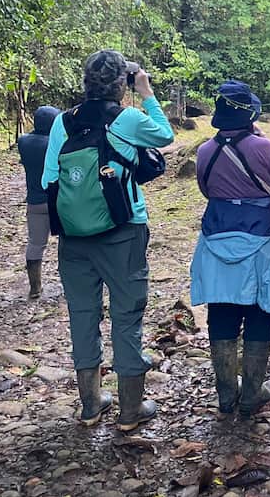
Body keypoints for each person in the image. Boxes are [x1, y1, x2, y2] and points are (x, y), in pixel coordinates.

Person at [41, 50, 174, 429]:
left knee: (82, 315)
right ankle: (130, 411)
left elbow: (49, 179)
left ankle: (90, 404)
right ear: (122, 83)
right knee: (126, 316)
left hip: (73, 235)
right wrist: (146, 92)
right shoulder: (128, 117)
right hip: (124, 228)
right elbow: (165, 134)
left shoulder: (63, 122)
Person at [192, 80, 270, 419]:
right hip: (262, 237)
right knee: (261, 310)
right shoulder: (262, 148)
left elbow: (206, 189)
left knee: (221, 308)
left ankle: (225, 395)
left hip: (217, 235)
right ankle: (251, 394)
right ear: (250, 113)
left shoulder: (205, 150)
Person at [17, 104, 61, 299]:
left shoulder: (23, 142)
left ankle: (35, 288)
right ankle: (71, 284)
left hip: (35, 202)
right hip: (59, 201)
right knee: (69, 242)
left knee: (35, 244)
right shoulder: (56, 143)